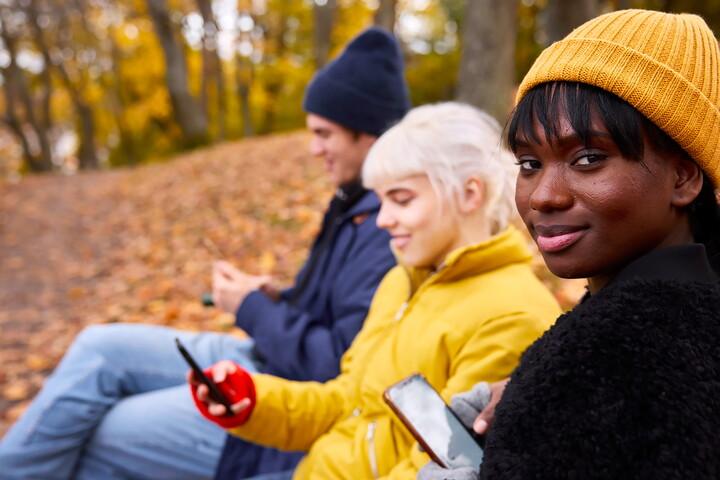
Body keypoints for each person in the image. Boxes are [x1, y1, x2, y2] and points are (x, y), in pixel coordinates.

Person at [0, 27, 409, 480]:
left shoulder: (384, 226)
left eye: (324, 134)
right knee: (98, 347)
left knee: (101, 433)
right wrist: (275, 294)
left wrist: (249, 307)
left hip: (281, 402)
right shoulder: (353, 202)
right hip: (266, 356)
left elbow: (333, 362)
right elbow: (335, 309)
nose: (314, 150)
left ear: (368, 136)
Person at [420, 9, 720, 480]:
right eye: (529, 163)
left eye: (588, 158)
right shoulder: (679, 320)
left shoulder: (611, 352)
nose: (543, 195)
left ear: (683, 176)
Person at [191, 102, 561, 479]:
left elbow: (442, 465)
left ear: (469, 194)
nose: (383, 220)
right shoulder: (400, 281)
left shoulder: (511, 316)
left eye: (401, 200)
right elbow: (345, 401)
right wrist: (251, 400)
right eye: (381, 200)